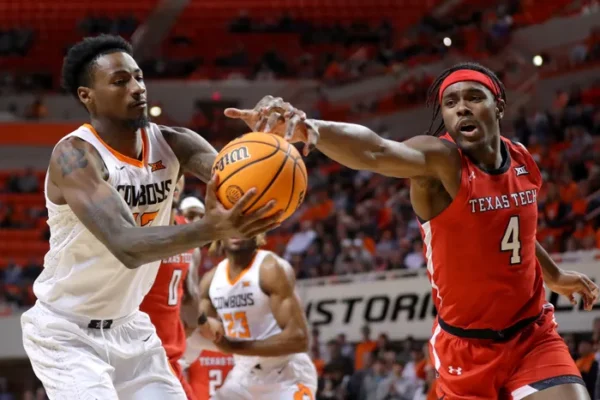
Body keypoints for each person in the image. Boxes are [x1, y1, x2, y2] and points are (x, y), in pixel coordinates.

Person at [226, 63, 600, 399]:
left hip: (532, 335)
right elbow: (376, 151)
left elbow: (519, 229)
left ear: (498, 106)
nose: (461, 108)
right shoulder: (439, 163)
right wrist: (311, 129)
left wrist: (556, 276)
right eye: (451, 103)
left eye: (474, 98)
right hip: (466, 350)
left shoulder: (520, 158)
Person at [20, 34, 281, 400]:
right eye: (120, 81)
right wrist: (208, 229)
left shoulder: (176, 143)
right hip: (67, 332)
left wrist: (270, 144)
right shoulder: (75, 157)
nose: (137, 88)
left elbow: (246, 181)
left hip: (131, 328)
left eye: (139, 77)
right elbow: (126, 246)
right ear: (86, 95)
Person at [197, 235, 318, 399]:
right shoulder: (210, 280)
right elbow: (202, 326)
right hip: (243, 375)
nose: (238, 231)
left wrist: (234, 347)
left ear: (258, 232)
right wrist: (209, 327)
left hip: (286, 374)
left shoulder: (270, 268)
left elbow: (299, 339)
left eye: (245, 225)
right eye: (232, 225)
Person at [139, 177, 200, 400]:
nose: (174, 180)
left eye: (180, 174)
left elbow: (191, 303)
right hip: (140, 356)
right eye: (167, 172)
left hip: (172, 357)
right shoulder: (137, 228)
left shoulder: (188, 232)